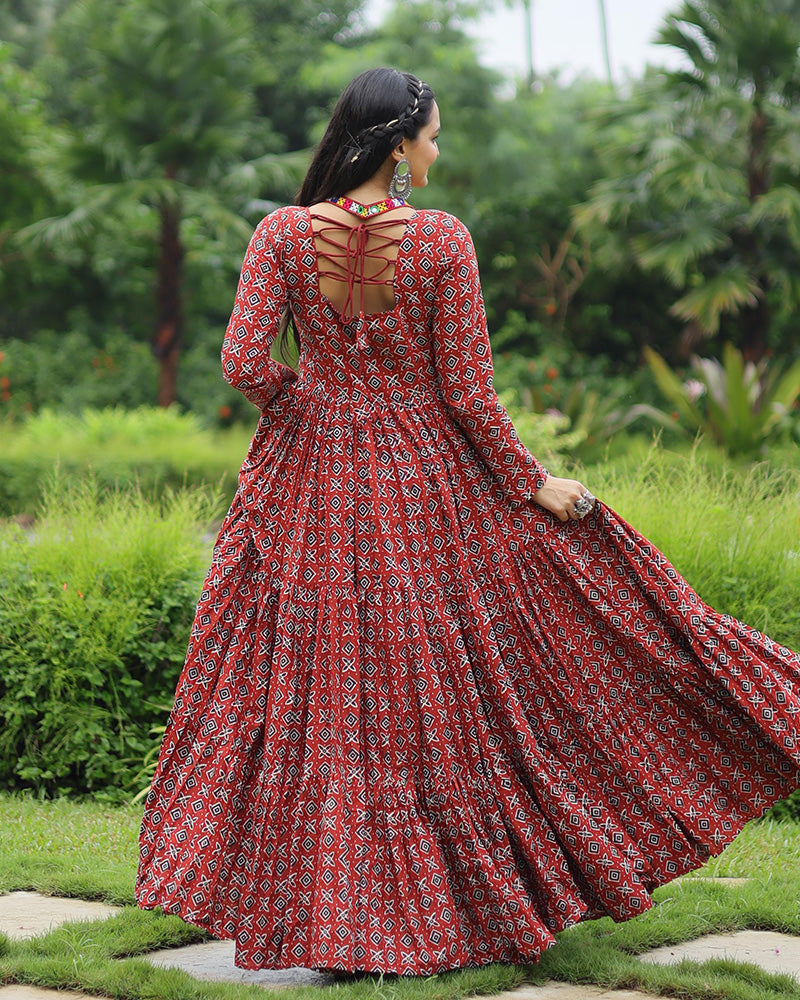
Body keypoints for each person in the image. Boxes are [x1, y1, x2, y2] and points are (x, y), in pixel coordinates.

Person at [135, 67, 800, 978]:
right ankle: (451, 912)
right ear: (398, 145)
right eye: (434, 137)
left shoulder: (282, 235)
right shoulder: (442, 242)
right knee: (434, 692)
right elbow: (469, 397)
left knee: (323, 693)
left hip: (310, 485)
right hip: (426, 486)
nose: (438, 152)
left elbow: (246, 361)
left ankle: (336, 923)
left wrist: (315, 413)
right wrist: (532, 485)